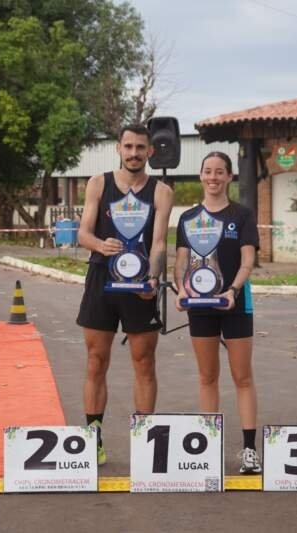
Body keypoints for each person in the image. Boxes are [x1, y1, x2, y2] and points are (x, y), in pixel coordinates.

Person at [76, 124, 174, 466]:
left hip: (140, 284)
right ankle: (94, 439)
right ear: (119, 148)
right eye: (128, 146)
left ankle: (145, 443)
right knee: (95, 361)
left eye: (140, 148)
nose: (134, 153)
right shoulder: (98, 183)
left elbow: (160, 243)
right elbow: (83, 233)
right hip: (102, 277)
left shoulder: (161, 191)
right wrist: (101, 245)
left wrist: (153, 278)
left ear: (150, 152)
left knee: (144, 362)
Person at [174, 151, 262, 475]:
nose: (213, 177)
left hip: (235, 303)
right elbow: (181, 261)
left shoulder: (242, 215)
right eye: (208, 171)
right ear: (200, 176)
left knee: (242, 376)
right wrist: (182, 288)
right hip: (200, 307)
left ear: (229, 177)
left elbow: (248, 260)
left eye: (220, 172)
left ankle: (250, 451)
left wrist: (233, 291)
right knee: (207, 376)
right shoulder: (188, 218)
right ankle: (209, 449)